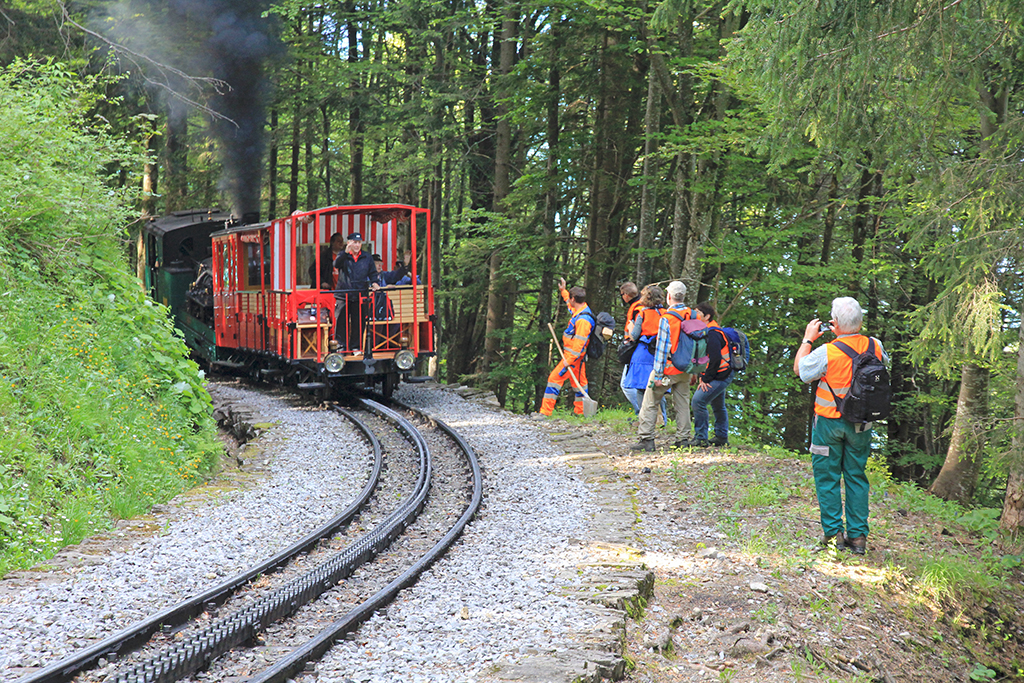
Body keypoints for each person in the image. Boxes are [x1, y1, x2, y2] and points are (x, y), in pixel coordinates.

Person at [794, 296, 888, 555]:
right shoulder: (875, 345)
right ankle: (858, 538)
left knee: (827, 477)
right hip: (862, 425)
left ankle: (834, 533)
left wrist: (808, 339)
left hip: (828, 423)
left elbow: (801, 371)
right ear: (860, 322)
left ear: (833, 324)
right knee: (856, 476)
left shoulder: (828, 351)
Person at [630, 281, 693, 451]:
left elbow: (662, 349)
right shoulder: (693, 315)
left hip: (668, 369)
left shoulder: (667, 319)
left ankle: (646, 440)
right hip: (686, 369)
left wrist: (658, 375)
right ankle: (683, 440)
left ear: (669, 296)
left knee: (650, 402)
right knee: (682, 404)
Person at [534, 278, 593, 418]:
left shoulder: (583, 320)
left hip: (572, 358)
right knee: (580, 384)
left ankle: (544, 413)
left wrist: (569, 360)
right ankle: (581, 413)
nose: (569, 301)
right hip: (576, 358)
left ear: (574, 299)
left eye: (570, 298)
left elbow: (579, 344)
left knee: (554, 379)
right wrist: (563, 291)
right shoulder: (580, 309)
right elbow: (569, 305)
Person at [623, 284, 669, 426]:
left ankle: (644, 419)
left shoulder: (643, 313)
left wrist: (631, 329)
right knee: (658, 388)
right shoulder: (665, 313)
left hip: (643, 353)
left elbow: (635, 335)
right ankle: (663, 420)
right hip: (660, 352)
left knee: (640, 387)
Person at [690, 302, 734, 448]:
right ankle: (721, 437)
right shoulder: (709, 331)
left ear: (707, 316)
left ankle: (701, 437)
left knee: (698, 401)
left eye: (698, 312)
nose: (694, 315)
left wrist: (705, 378)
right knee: (718, 405)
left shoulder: (713, 333)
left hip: (721, 375)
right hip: (721, 373)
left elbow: (715, 359)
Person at [333, 232, 378, 351]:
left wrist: (374, 282)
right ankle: (341, 347)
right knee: (341, 321)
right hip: (343, 295)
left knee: (358, 322)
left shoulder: (367, 257)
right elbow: (336, 264)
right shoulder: (343, 255)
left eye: (359, 243)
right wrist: (345, 253)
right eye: (354, 242)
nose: (357, 245)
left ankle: (356, 347)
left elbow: (373, 272)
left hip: (360, 294)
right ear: (349, 243)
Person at [618, 281, 643, 412]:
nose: (622, 297)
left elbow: (636, 331)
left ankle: (642, 412)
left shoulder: (637, 307)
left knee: (627, 385)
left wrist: (629, 341)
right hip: (639, 349)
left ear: (626, 295)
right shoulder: (640, 304)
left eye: (622, 294)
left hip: (635, 349)